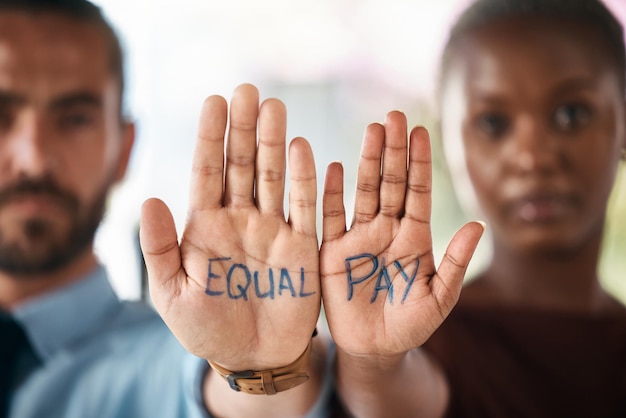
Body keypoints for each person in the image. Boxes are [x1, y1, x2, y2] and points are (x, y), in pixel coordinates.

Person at [0, 1, 330, 417]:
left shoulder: (166, 360)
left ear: (124, 149)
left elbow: (219, 395)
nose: (34, 158)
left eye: (75, 118)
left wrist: (257, 369)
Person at [320, 0, 626, 417]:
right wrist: (374, 365)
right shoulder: (421, 336)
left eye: (570, 114)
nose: (532, 156)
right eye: (492, 124)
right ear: (450, 141)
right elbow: (394, 395)